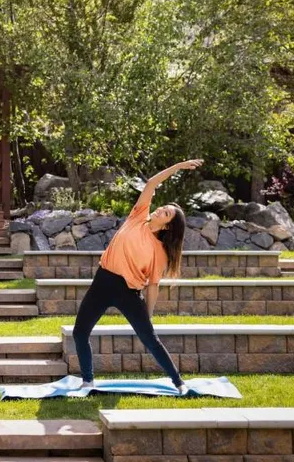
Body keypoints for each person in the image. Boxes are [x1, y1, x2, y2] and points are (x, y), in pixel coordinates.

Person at [73, 159, 204, 394]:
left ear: (167, 226)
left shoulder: (160, 253)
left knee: (150, 339)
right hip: (102, 282)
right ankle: (88, 381)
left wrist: (148, 314)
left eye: (165, 213)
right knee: (79, 332)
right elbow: (152, 183)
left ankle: (179, 383)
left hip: (128, 292)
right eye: (163, 207)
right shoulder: (138, 216)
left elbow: (153, 285)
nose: (160, 209)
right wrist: (178, 166)